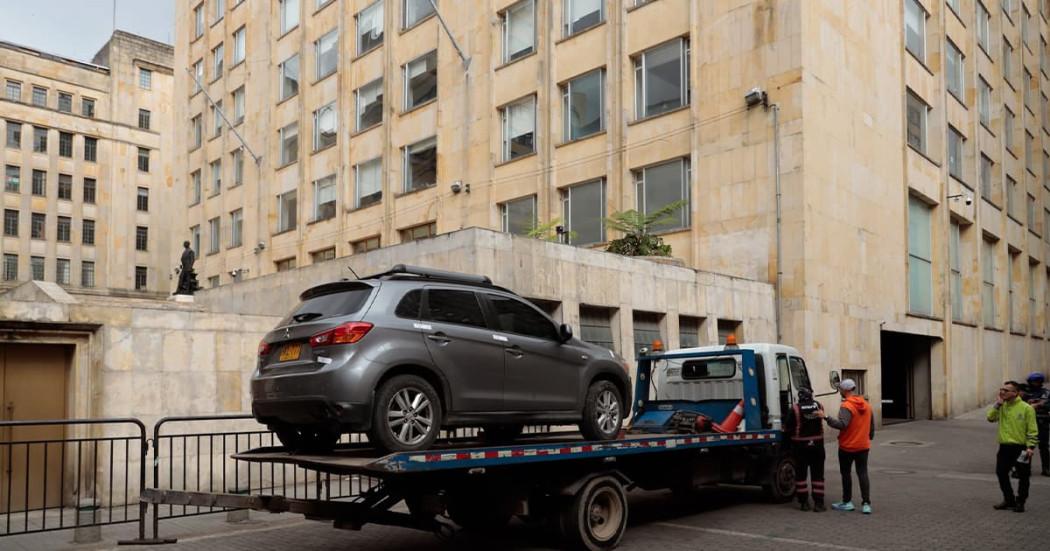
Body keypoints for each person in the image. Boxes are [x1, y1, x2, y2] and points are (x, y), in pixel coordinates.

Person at [817, 378, 874, 514]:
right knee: (863, 473)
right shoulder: (866, 405)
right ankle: (866, 504)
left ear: (845, 390)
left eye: (841, 389)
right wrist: (868, 438)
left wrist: (825, 417)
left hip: (847, 447)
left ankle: (847, 502)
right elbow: (871, 427)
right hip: (863, 446)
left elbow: (842, 424)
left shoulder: (846, 406)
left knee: (846, 474)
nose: (840, 392)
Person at [988, 381, 1039, 512]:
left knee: (1023, 476)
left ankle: (1020, 502)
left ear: (1015, 393)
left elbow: (1032, 430)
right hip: (1004, 448)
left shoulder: (1027, 408)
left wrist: (1030, 447)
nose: (1002, 392)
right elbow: (990, 418)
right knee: (1001, 473)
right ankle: (1009, 499)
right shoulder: (1002, 406)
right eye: (1001, 389)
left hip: (1022, 449)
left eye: (1006, 390)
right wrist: (997, 405)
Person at [785, 388, 825, 511]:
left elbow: (788, 428)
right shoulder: (819, 406)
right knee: (818, 475)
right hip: (817, 447)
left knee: (801, 475)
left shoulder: (795, 409)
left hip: (800, 448)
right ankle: (818, 504)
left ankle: (804, 503)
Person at [1021, 372, 1050, 476]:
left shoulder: (1046, 393)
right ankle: (1023, 469)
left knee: (1044, 446)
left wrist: (1038, 405)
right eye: (1032, 381)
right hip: (1027, 422)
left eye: (1035, 382)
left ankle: (1046, 468)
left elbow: (1047, 404)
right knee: (1026, 446)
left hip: (1042, 422)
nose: (1033, 383)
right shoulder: (1025, 393)